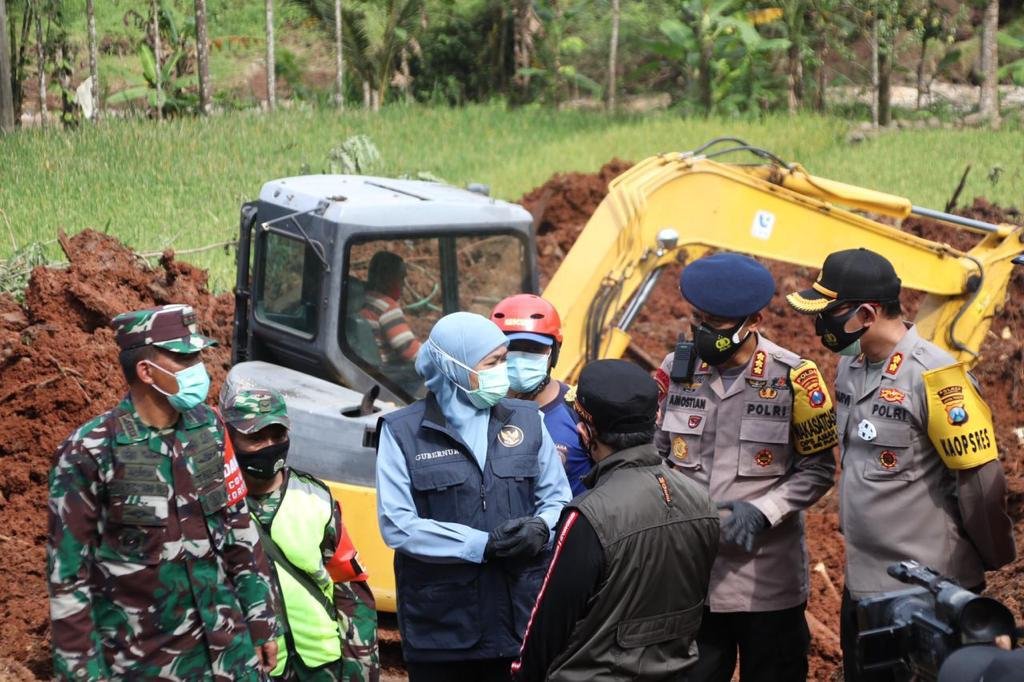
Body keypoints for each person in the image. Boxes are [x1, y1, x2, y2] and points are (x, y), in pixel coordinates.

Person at [786, 247, 1016, 682]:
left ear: (867, 313)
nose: (819, 326)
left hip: (923, 594)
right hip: (862, 585)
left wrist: (988, 561)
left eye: (828, 314)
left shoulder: (935, 377)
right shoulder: (850, 367)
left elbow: (981, 483)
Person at [46, 304, 278, 680]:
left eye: (198, 355)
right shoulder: (89, 452)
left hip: (227, 653)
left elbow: (237, 526)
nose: (198, 367)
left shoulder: (210, 429)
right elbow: (69, 577)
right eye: (184, 358)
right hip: (144, 662)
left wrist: (261, 618)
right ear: (146, 371)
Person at [654, 253, 838, 682]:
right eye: (699, 318)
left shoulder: (795, 379)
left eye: (716, 323)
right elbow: (656, 454)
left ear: (753, 321)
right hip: (690, 580)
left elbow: (818, 470)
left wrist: (764, 510)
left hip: (765, 584)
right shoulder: (676, 371)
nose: (703, 331)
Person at [374, 311, 572, 681]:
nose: (505, 371)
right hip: (443, 631)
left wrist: (542, 528)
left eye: (505, 359)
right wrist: (481, 545)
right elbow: (397, 525)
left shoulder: (527, 420)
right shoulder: (403, 433)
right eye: (494, 362)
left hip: (520, 622)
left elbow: (558, 498)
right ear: (455, 369)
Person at [511, 359, 720, 681]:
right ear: (657, 419)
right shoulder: (701, 501)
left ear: (585, 431)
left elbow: (549, 626)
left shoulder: (588, 516)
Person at [220, 383, 380, 682]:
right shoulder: (213, 508)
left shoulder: (315, 498)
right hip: (251, 666)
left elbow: (351, 590)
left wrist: (361, 669)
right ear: (229, 437)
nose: (269, 444)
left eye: (277, 434)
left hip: (322, 666)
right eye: (255, 437)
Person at [491, 294, 591, 495]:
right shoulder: (481, 407)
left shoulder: (578, 409)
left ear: (553, 352)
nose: (520, 358)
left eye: (533, 348)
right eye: (512, 348)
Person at [360, 251, 421, 366]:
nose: (403, 284)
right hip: (386, 372)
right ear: (388, 279)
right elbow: (410, 352)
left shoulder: (362, 297)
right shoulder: (387, 307)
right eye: (401, 278)